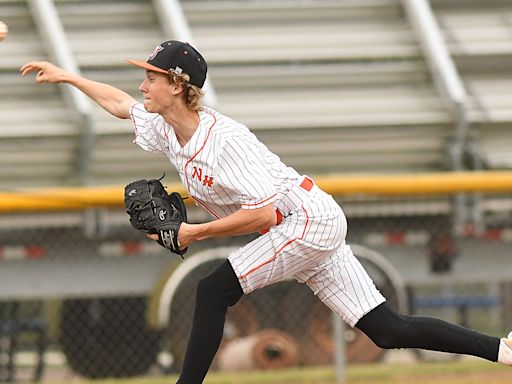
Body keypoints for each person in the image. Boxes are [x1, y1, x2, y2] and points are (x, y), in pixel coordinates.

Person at [21, 40, 512, 383]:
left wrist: (194, 233)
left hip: (303, 220)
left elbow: (264, 217)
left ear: (177, 84)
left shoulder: (224, 141)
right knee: (386, 329)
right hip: (306, 220)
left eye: (150, 75)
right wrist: (67, 76)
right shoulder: (168, 127)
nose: (142, 83)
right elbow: (121, 106)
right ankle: (504, 351)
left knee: (214, 289)